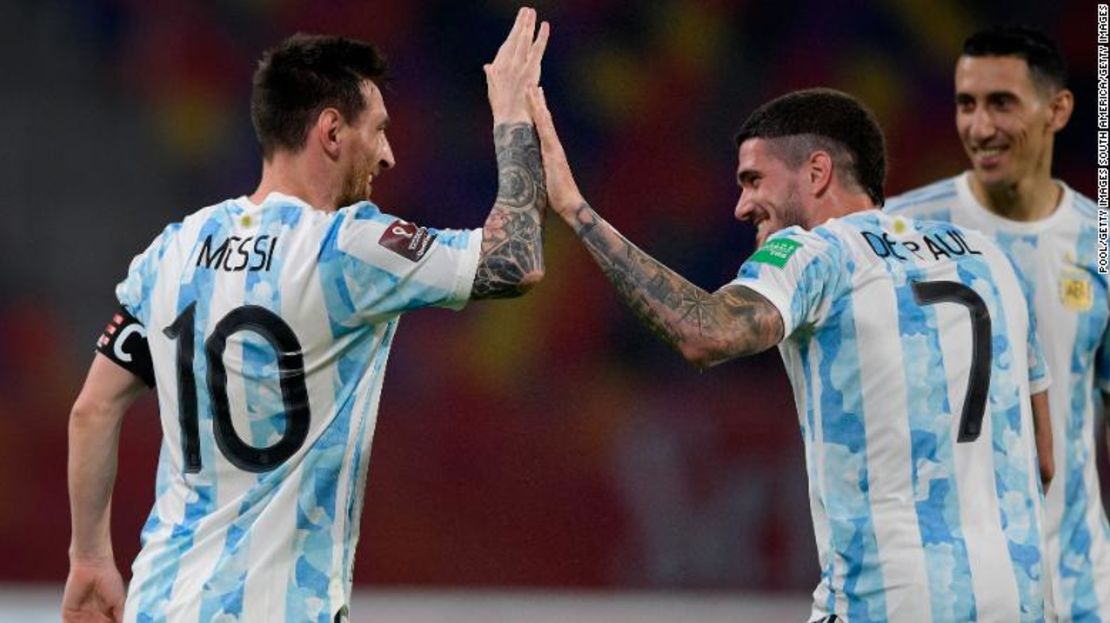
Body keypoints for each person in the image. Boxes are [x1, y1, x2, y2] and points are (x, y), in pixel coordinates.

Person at [62, 8, 549, 622]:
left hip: (160, 604)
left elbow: (92, 410)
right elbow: (516, 260)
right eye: (378, 130)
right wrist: (510, 114)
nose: (389, 155)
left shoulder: (173, 251)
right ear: (331, 131)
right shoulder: (346, 247)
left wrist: (88, 559)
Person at [527, 84, 1055, 621]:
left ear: (817, 172)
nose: (741, 206)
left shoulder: (815, 252)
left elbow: (706, 332)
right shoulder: (989, 258)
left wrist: (576, 211)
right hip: (1020, 598)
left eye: (754, 180)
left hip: (887, 602)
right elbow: (1044, 457)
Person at [884, 25, 1110, 621]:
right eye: (966, 104)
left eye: (1001, 103)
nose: (979, 127)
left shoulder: (1098, 245)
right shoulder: (900, 235)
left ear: (1058, 109)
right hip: (954, 592)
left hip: (1084, 587)